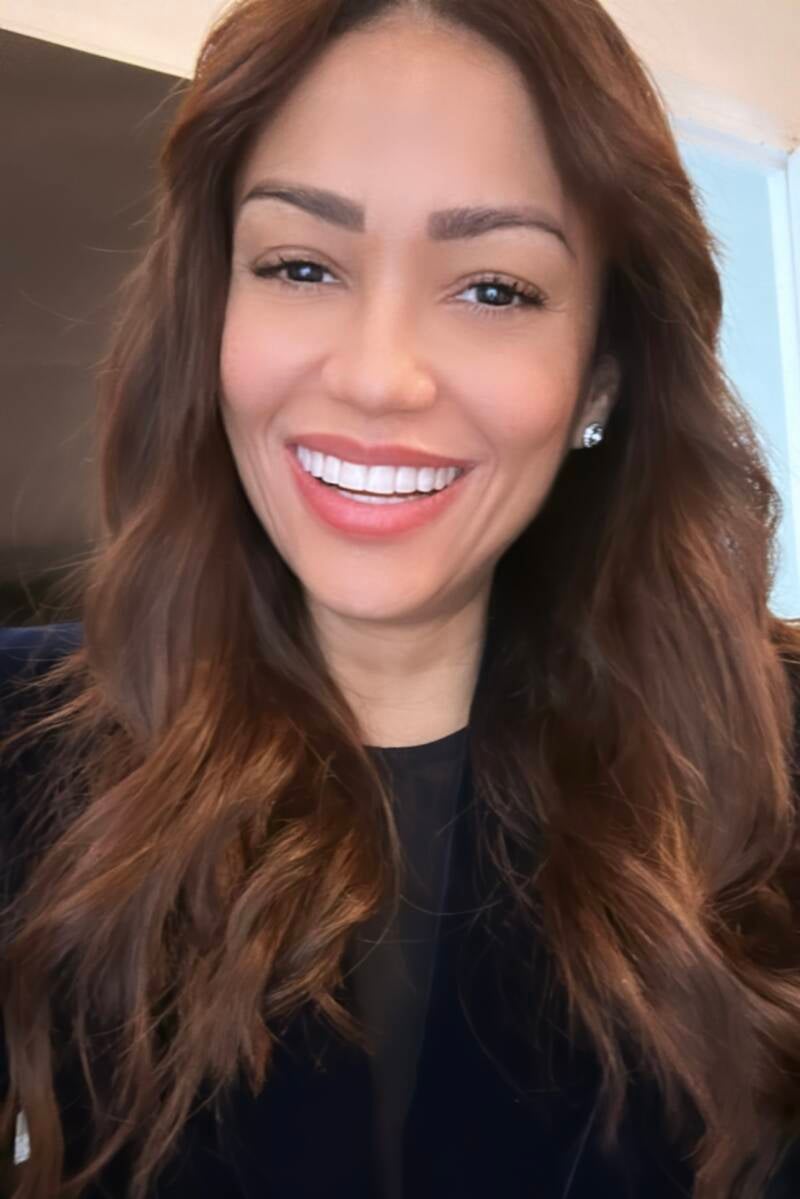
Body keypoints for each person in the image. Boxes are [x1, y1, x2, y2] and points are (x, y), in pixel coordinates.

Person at [2, 0, 800, 1196]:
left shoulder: (773, 755)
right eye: (300, 266)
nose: (378, 378)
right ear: (212, 314)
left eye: (493, 289)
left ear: (603, 373)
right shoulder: (24, 738)